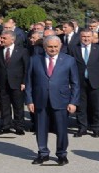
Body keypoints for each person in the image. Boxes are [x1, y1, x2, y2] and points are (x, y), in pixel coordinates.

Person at [26, 36, 80, 165]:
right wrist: (29, 100)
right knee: (41, 128)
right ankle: (43, 153)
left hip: (61, 100)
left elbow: (75, 83)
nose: (53, 49)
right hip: (40, 99)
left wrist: (73, 102)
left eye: (56, 46)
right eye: (50, 46)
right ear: (44, 47)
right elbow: (28, 82)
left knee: (61, 129)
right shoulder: (34, 60)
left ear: (60, 46)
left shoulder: (69, 60)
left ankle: (61, 154)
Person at [69, 29, 99, 138]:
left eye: (88, 36)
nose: (86, 38)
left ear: (92, 37)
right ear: (80, 37)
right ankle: (82, 128)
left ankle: (96, 128)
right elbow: (69, 66)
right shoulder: (73, 49)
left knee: (96, 107)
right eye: (84, 36)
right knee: (81, 107)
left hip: (95, 81)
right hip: (79, 82)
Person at [0, 30, 29, 135]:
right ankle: (5, 126)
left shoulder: (22, 51)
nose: (1, 40)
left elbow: (26, 68)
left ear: (12, 40)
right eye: (1, 38)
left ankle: (19, 127)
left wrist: (24, 82)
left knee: (18, 106)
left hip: (17, 83)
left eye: (4, 38)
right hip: (2, 83)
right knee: (4, 105)